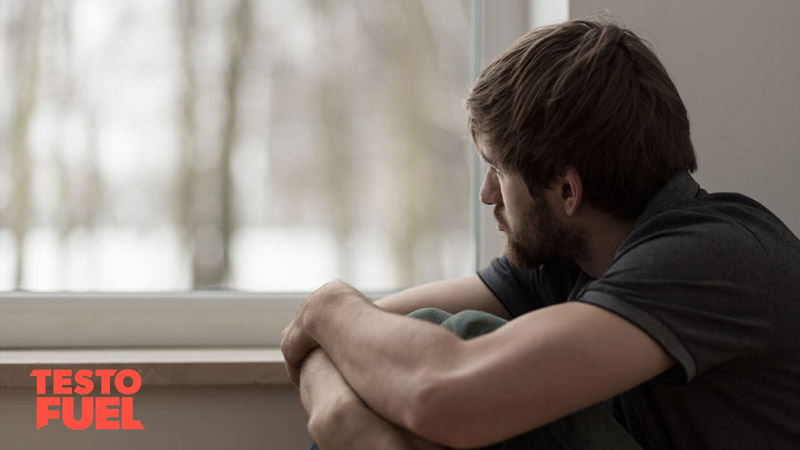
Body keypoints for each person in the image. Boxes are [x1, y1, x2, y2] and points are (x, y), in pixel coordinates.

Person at [281, 18, 800, 450]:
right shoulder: (575, 258)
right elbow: (357, 337)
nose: (487, 194)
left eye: (497, 171)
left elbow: (436, 391)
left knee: (458, 346)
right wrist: (341, 418)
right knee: (422, 338)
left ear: (566, 191)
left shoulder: (713, 256)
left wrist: (326, 303)